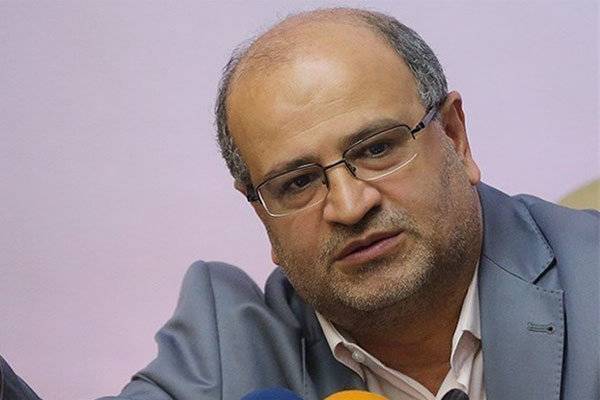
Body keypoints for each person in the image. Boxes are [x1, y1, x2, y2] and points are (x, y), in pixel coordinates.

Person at [1, 7, 598, 400]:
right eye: (297, 182)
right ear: (261, 213)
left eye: (377, 149)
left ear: (456, 137)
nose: (349, 205)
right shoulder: (229, 346)